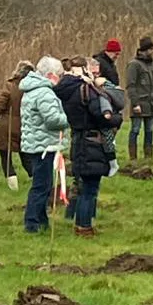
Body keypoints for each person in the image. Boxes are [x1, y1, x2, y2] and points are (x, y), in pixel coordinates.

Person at [56, 57, 118, 237]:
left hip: (77, 139)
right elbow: (99, 116)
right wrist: (115, 119)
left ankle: (79, 221)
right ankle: (84, 226)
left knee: (83, 185)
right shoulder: (85, 90)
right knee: (90, 188)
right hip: (91, 141)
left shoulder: (66, 90)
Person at [19, 57, 70, 233]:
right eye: (60, 74)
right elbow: (53, 120)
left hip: (36, 144)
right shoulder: (44, 93)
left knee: (43, 184)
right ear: (50, 75)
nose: (61, 78)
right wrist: (69, 117)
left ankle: (41, 220)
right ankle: (31, 223)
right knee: (41, 186)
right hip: (44, 146)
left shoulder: (32, 90)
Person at [0, 62, 28, 191]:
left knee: (6, 158)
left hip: (7, 126)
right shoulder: (32, 88)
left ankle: (13, 187)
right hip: (25, 126)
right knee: (26, 156)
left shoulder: (10, 86)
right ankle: (36, 180)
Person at [125, 37, 153, 163]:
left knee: (149, 131)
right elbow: (131, 85)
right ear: (144, 50)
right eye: (150, 49)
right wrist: (135, 103)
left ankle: (148, 157)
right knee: (135, 130)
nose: (152, 52)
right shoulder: (134, 65)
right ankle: (133, 158)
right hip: (139, 103)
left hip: (151, 104)